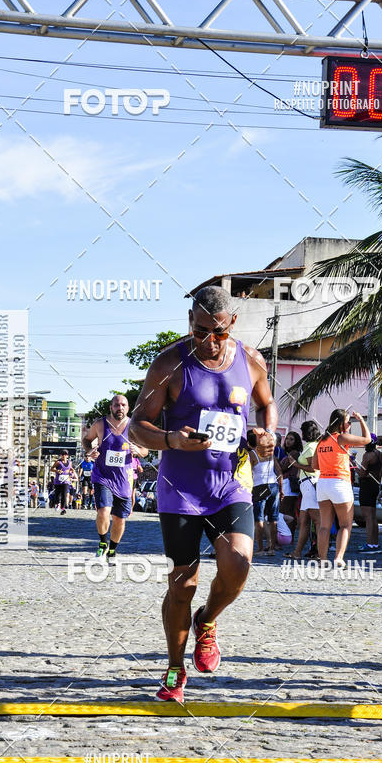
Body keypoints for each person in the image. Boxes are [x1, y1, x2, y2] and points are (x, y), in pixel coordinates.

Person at [129, 285, 277, 704]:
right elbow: (138, 425)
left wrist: (267, 434)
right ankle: (175, 669)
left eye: (217, 333)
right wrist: (172, 439)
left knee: (239, 563)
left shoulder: (251, 360)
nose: (208, 342)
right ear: (189, 323)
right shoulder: (169, 364)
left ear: (233, 323)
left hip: (230, 483)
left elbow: (267, 405)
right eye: (199, 332)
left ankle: (207, 621)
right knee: (183, 582)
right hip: (181, 489)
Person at [82, 395, 148, 564]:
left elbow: (145, 450)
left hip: (123, 480)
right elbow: (87, 440)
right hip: (102, 476)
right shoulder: (100, 424)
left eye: (123, 405)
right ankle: (103, 543)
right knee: (103, 510)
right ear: (111, 407)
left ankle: (112, 550)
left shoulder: (133, 427)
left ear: (128, 408)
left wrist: (138, 450)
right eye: (116, 405)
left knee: (119, 519)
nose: (120, 408)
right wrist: (90, 451)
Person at [314, 409, 370, 568]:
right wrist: (361, 420)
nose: (349, 424)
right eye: (348, 421)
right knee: (345, 524)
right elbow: (367, 440)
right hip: (339, 482)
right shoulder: (341, 437)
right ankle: (338, 557)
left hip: (323, 482)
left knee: (324, 525)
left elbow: (314, 465)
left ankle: (322, 559)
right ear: (340, 423)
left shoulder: (321, 440)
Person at [287, 420, 321, 560]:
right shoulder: (310, 446)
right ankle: (298, 552)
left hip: (309, 483)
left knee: (316, 520)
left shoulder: (312, 447)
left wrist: (296, 465)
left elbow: (314, 468)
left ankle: (319, 551)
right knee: (304, 521)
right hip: (306, 485)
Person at [248, 429, 282, 556]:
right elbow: (279, 471)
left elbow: (249, 473)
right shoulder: (270, 452)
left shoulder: (252, 454)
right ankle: (272, 548)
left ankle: (260, 549)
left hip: (259, 486)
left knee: (259, 518)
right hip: (273, 485)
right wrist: (281, 489)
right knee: (273, 518)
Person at [356, 435, 382, 552]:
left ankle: (369, 544)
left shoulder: (367, 455)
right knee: (373, 516)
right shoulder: (379, 454)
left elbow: (361, 473)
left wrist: (352, 464)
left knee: (368, 517)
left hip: (366, 486)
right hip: (375, 485)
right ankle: (375, 544)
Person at [279, 431, 303, 541]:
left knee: (286, 511)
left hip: (289, 484)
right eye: (287, 438)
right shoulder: (288, 453)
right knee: (286, 511)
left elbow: (283, 467)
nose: (288, 441)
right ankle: (287, 536)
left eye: (291, 439)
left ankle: (287, 536)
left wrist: (276, 463)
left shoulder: (294, 454)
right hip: (286, 483)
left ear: (296, 441)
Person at [50, 450, 75, 515]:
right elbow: (52, 468)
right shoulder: (58, 462)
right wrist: (57, 471)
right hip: (58, 481)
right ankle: (57, 503)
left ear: (67, 456)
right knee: (57, 494)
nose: (64, 456)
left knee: (64, 494)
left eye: (65, 454)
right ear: (61, 455)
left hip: (66, 481)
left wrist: (72, 471)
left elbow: (70, 468)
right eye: (62, 454)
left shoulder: (70, 462)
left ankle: (63, 508)